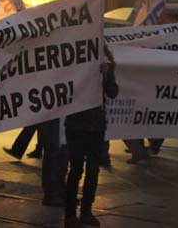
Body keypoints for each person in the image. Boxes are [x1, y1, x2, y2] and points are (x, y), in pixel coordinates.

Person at [65, 55, 118, 228]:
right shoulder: (74, 59)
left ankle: (86, 211)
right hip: (77, 124)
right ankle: (70, 215)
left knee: (93, 170)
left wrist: (107, 75)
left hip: (96, 126)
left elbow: (113, 92)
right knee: (76, 170)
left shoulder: (106, 61)